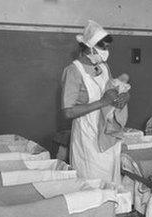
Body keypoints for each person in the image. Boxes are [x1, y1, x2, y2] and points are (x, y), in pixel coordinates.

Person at [61, 20, 130, 183]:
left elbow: (112, 90)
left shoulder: (103, 67)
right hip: (88, 135)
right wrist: (102, 102)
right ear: (91, 47)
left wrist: (124, 97)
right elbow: (68, 111)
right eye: (104, 48)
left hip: (107, 133)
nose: (106, 52)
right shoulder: (73, 71)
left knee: (111, 179)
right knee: (92, 181)